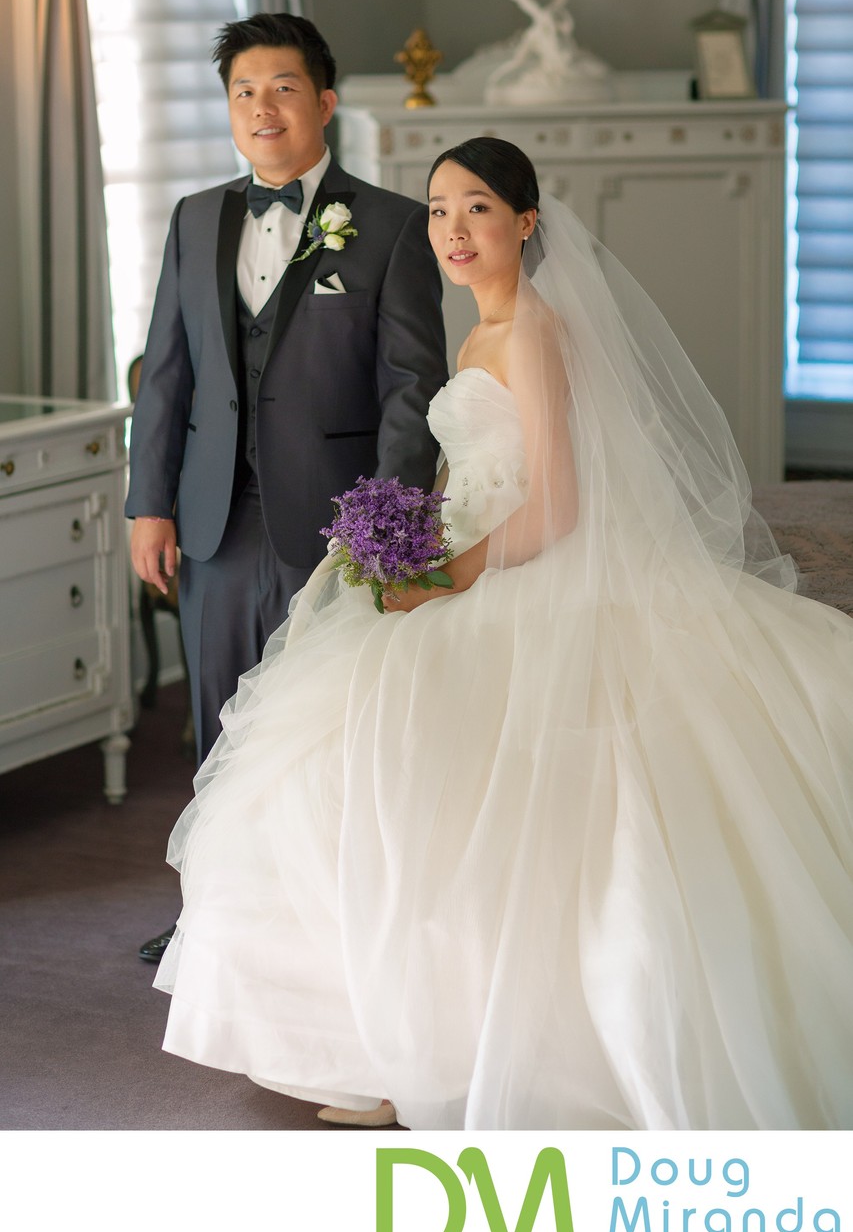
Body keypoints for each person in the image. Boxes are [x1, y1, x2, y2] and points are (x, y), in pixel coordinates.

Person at [153, 138, 853, 1130]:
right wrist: (402, 549)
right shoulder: (476, 335)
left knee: (430, 776)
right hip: (469, 563)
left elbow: (555, 506)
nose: (450, 230)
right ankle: (390, 1039)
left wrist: (443, 576)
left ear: (526, 222)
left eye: (475, 209)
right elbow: (470, 478)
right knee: (344, 768)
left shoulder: (533, 332)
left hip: (531, 579)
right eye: (437, 209)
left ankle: (445, 1050)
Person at [126, 13, 446, 963]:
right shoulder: (194, 218)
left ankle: (324, 919)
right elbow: (167, 375)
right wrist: (150, 502)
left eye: (284, 88)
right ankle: (214, 917)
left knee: (326, 726)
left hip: (337, 519)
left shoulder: (389, 223)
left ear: (325, 103)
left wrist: (387, 523)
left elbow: (412, 384)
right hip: (216, 515)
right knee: (220, 717)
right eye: (244, 91)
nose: (263, 108)